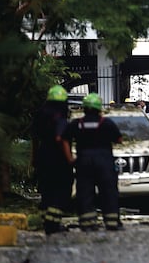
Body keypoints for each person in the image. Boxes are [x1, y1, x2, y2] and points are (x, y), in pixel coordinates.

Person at [61, 93, 124, 231]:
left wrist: (70, 158)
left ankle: (87, 223)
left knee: (85, 192)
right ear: (99, 108)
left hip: (84, 161)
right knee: (108, 191)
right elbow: (119, 139)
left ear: (84, 108)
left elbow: (64, 139)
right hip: (104, 161)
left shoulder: (76, 124)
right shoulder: (107, 123)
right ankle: (112, 222)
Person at [31, 85, 73, 235]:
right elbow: (60, 138)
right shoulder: (60, 117)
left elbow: (34, 138)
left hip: (43, 155)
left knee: (47, 190)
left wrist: (34, 158)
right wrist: (70, 159)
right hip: (58, 157)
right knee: (62, 190)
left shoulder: (40, 115)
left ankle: (46, 221)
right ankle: (53, 223)